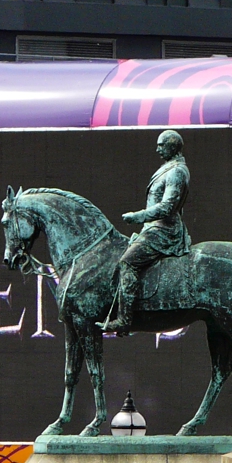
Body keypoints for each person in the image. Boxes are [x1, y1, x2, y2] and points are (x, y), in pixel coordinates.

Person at [98, 130, 192, 335]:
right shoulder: (168, 168)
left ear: (172, 146)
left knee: (127, 263)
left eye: (161, 145)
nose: (157, 149)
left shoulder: (176, 171)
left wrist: (138, 216)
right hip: (152, 228)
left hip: (164, 231)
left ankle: (124, 320)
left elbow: (168, 207)